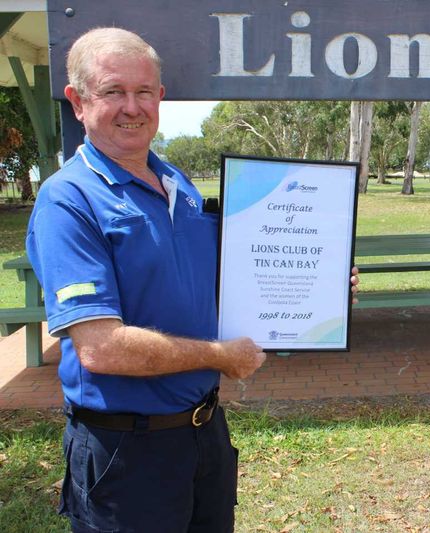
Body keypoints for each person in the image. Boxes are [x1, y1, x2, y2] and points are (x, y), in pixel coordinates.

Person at [26, 27, 358, 532]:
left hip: (204, 436)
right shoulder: (67, 200)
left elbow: (221, 280)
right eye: (113, 91)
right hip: (126, 453)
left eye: (143, 92)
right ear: (78, 101)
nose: (131, 107)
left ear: (160, 97)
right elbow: (102, 348)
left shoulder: (177, 182)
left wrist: (321, 282)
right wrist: (220, 357)